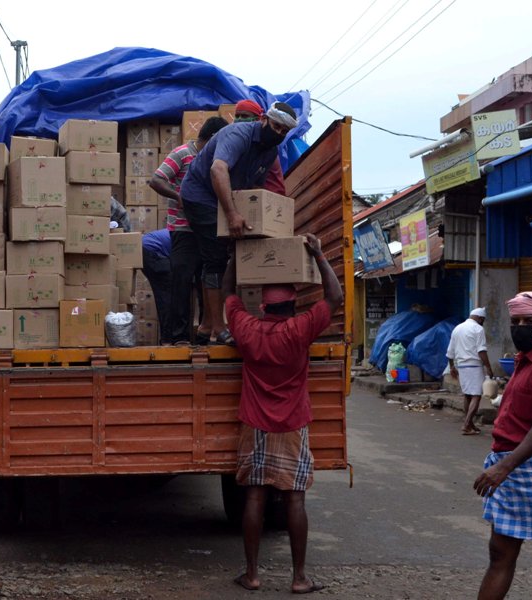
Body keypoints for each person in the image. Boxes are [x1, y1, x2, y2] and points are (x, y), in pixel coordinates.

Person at [222, 233, 343, 594]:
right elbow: (334, 297)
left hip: (254, 423)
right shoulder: (300, 329)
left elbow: (228, 293)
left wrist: (238, 256)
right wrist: (319, 255)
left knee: (255, 496)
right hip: (292, 424)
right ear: (293, 305)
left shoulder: (246, 328)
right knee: (295, 497)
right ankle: (299, 577)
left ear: (263, 306)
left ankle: (252, 574)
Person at [473, 291, 532, 599]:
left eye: (530, 321)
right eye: (516, 322)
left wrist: (502, 468)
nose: (522, 327)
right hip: (512, 470)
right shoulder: (525, 360)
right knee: (500, 554)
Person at [179, 101, 298, 346]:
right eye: (276, 127)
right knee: (215, 257)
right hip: (200, 195)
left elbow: (254, 188)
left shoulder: (270, 151)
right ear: (264, 119)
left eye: (284, 131)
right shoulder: (237, 135)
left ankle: (206, 326)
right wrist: (232, 214)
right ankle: (218, 328)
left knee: (222, 256)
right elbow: (218, 170)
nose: (279, 133)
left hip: (225, 195)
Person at [149, 116, 228, 345]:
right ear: (212, 138)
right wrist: (178, 197)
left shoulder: (216, 160)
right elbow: (156, 180)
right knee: (181, 281)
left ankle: (205, 334)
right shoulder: (183, 153)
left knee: (207, 281)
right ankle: (179, 337)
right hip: (183, 229)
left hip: (208, 229)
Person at [446, 307, 495, 435]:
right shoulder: (478, 329)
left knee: (467, 395)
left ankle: (471, 423)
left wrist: (452, 367)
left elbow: (450, 351)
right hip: (474, 366)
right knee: (476, 395)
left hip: (461, 366)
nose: (483, 322)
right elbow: (481, 351)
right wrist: (489, 368)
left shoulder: (457, 328)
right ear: (480, 318)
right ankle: (467, 424)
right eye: (483, 320)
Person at [232, 99, 286, 195]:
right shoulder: (241, 141)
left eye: (244, 116)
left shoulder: (266, 147)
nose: (239, 119)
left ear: (259, 120)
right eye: (237, 116)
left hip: (269, 197)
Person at [141, 229, 173, 345]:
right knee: (167, 296)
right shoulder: (190, 238)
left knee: (164, 295)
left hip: (145, 250)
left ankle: (167, 338)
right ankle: (167, 340)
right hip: (152, 252)